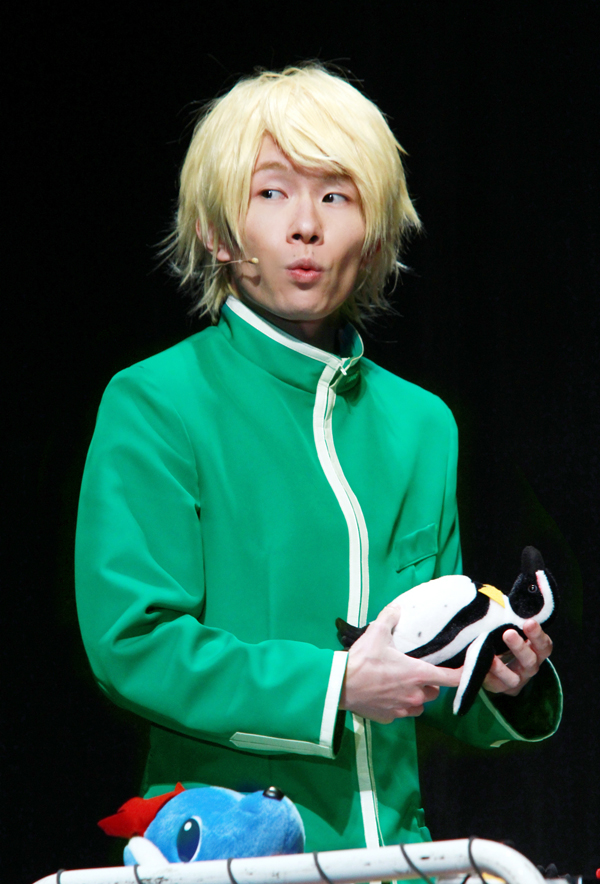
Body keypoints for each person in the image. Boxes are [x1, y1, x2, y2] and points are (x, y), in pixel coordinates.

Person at [75, 64, 561, 854]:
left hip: (397, 858)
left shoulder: (422, 424)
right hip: (230, 856)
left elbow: (426, 671)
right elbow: (134, 644)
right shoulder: (156, 401)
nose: (306, 225)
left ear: (373, 235)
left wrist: (498, 672)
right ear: (218, 232)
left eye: (336, 196)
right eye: (271, 193)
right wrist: (334, 686)